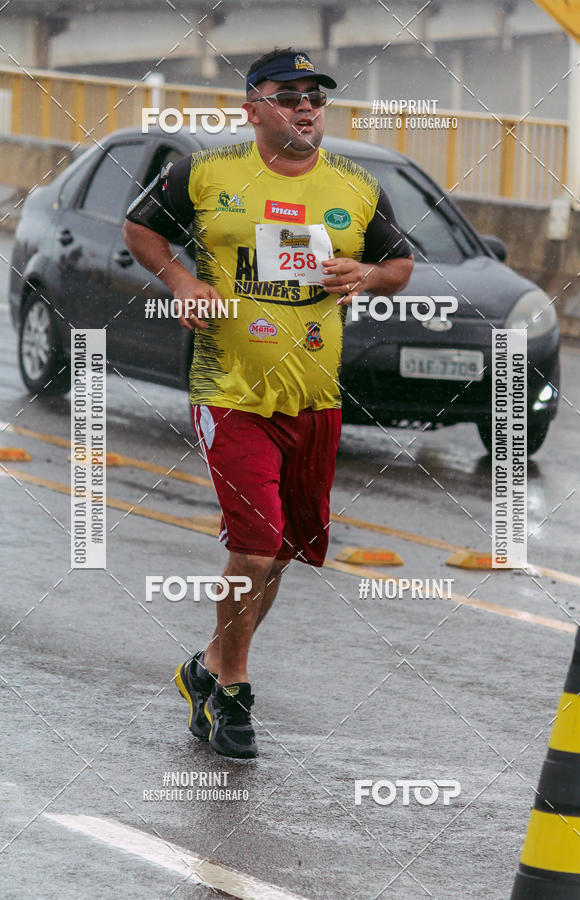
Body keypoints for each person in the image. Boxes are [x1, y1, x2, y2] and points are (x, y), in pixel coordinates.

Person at [123, 47, 414, 759]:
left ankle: (208, 669)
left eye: (315, 96)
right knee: (253, 549)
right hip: (229, 392)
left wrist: (368, 274)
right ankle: (236, 691)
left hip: (314, 398)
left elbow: (401, 264)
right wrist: (183, 283)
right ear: (252, 107)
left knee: (279, 553)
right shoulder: (205, 172)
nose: (306, 106)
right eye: (289, 94)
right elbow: (139, 228)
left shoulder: (357, 185)